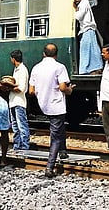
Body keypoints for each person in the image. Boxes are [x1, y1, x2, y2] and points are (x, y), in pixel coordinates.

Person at [29, 43, 75, 178]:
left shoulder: (36, 68)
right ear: (56, 54)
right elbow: (62, 87)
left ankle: (63, 151)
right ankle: (49, 167)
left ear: (43, 53)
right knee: (55, 136)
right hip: (56, 105)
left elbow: (31, 91)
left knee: (59, 128)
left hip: (43, 104)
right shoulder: (59, 67)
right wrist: (70, 89)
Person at [72, 0, 103, 75]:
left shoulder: (83, 3)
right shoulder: (86, 2)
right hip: (87, 29)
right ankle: (95, 68)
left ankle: (86, 69)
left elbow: (79, 16)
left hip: (87, 29)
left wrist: (75, 9)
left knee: (86, 49)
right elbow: (95, 2)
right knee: (92, 48)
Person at [8, 50, 30, 150]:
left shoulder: (22, 70)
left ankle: (25, 146)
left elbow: (21, 88)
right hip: (13, 101)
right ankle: (17, 146)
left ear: (13, 59)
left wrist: (9, 87)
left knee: (22, 126)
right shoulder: (16, 69)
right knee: (15, 127)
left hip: (19, 101)